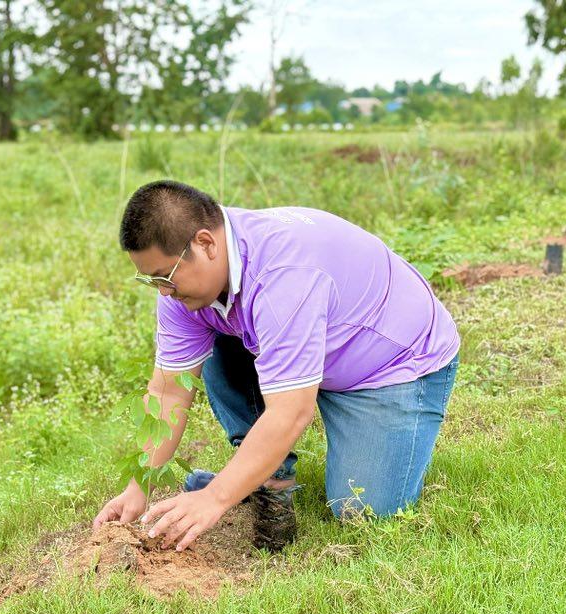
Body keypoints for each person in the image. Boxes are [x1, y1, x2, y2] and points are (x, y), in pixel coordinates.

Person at [93, 180, 460, 552]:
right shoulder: (183, 288)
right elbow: (169, 391)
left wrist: (215, 497)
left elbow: (291, 411)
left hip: (390, 365)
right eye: (150, 279)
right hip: (309, 342)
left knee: (362, 513)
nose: (162, 291)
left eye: (166, 276)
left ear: (206, 243)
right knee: (213, 331)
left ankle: (240, 479)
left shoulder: (284, 277)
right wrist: (138, 487)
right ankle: (269, 480)